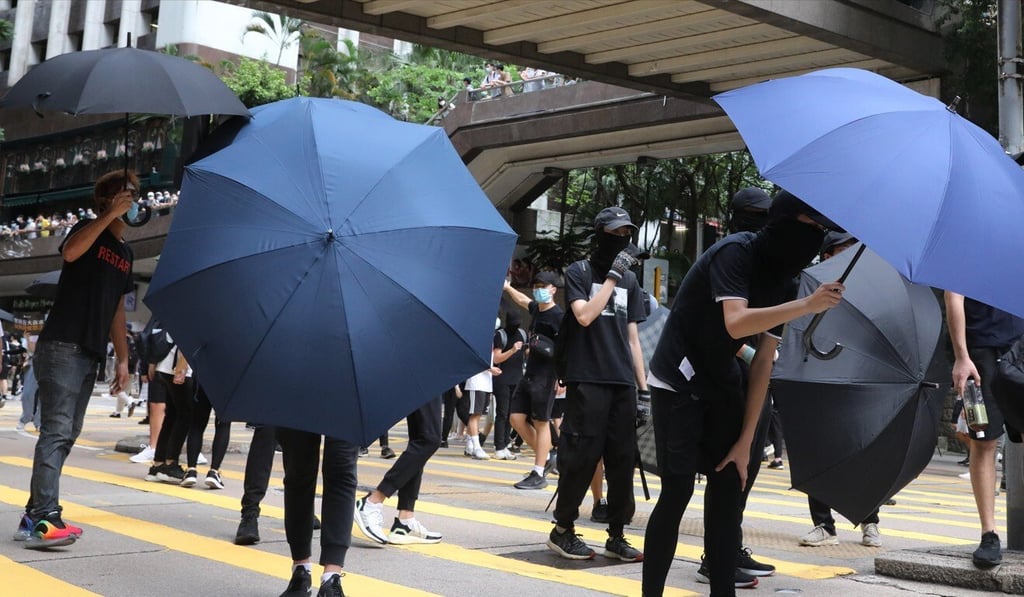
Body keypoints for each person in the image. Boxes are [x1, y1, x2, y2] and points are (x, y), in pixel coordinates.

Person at [641, 191, 844, 596]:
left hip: (721, 379)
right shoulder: (734, 252)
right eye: (812, 226)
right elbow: (736, 323)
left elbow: (764, 361)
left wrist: (746, 441)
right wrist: (807, 305)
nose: (816, 237)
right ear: (784, 220)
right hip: (677, 380)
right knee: (677, 492)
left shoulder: (786, 280)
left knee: (728, 493)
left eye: (823, 231)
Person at [15, 169, 136, 549]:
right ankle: (44, 518)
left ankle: (34, 513)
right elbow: (70, 252)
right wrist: (104, 217)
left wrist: (122, 360)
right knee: (56, 430)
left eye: (135, 196)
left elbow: (117, 307)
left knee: (67, 433)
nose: (133, 202)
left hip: (91, 350)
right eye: (127, 195)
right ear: (108, 201)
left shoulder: (126, 253)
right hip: (63, 344)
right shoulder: (87, 228)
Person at [547, 207, 648, 563]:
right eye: (615, 233)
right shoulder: (579, 271)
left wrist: (642, 385)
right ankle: (563, 529)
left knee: (622, 460)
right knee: (581, 456)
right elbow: (585, 316)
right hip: (586, 376)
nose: (622, 240)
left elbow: (633, 337)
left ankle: (617, 533)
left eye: (627, 234)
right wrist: (612, 277)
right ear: (600, 233)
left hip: (622, 381)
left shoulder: (632, 283)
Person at [798, 231, 882, 549]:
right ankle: (822, 524)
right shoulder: (809, 286)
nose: (848, 257)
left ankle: (870, 521)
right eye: (842, 251)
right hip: (816, 377)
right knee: (816, 453)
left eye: (852, 251)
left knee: (860, 452)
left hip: (854, 380)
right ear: (827, 256)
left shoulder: (869, 294)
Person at [945, 287, 1024, 568]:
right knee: (983, 440)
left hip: (1020, 347)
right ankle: (988, 534)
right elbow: (954, 296)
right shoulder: (963, 249)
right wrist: (961, 356)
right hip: (979, 354)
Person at [276, 427, 358, 597]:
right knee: (298, 469)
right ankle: (301, 569)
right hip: (295, 400)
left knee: (342, 468)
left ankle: (331, 577)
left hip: (346, 402)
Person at [502, 271, 564, 489]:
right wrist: (507, 287)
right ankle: (546, 458)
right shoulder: (537, 309)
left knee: (541, 421)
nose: (538, 289)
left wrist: (560, 377)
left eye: (543, 286)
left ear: (553, 289)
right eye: (536, 285)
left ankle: (538, 473)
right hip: (529, 375)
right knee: (516, 418)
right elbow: (522, 299)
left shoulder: (559, 317)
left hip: (546, 377)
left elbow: (566, 349)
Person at [354, 397, 444, 545]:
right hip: (426, 373)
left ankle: (405, 520)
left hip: (429, 374)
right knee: (429, 439)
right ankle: (373, 501)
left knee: (421, 438)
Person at [492, 311, 526, 459]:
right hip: (502, 379)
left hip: (517, 379)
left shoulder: (523, 334)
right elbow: (497, 357)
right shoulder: (500, 335)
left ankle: (505, 445)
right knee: (502, 413)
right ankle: (499, 446)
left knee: (511, 415)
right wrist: (512, 350)